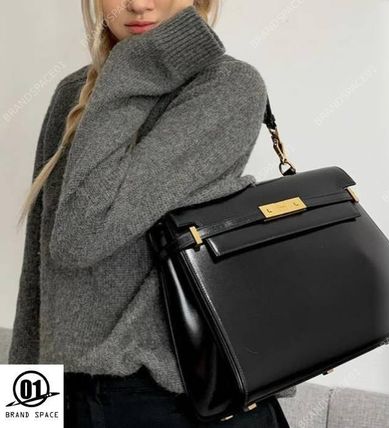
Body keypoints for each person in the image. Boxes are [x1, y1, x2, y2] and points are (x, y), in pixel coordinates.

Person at [9, 0, 296, 426]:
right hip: (73, 398)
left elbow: (83, 234)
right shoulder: (74, 93)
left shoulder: (227, 86)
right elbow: (41, 273)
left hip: (175, 401)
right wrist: (23, 412)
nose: (139, 3)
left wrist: (132, 67)